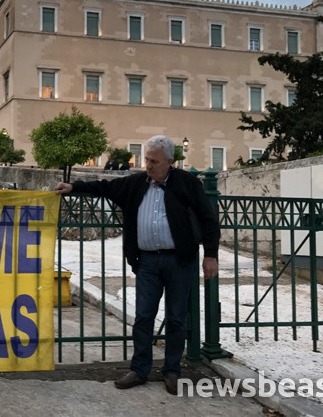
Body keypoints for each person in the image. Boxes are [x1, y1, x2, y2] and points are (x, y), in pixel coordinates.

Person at [54, 134, 220, 395]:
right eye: (147, 160)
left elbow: (208, 219)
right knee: (143, 316)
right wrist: (74, 187)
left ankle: (172, 370)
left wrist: (210, 254)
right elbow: (104, 187)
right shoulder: (135, 184)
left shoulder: (187, 184)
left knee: (176, 318)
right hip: (148, 262)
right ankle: (139, 369)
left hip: (180, 261)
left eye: (154, 161)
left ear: (170, 162)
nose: (148, 165)